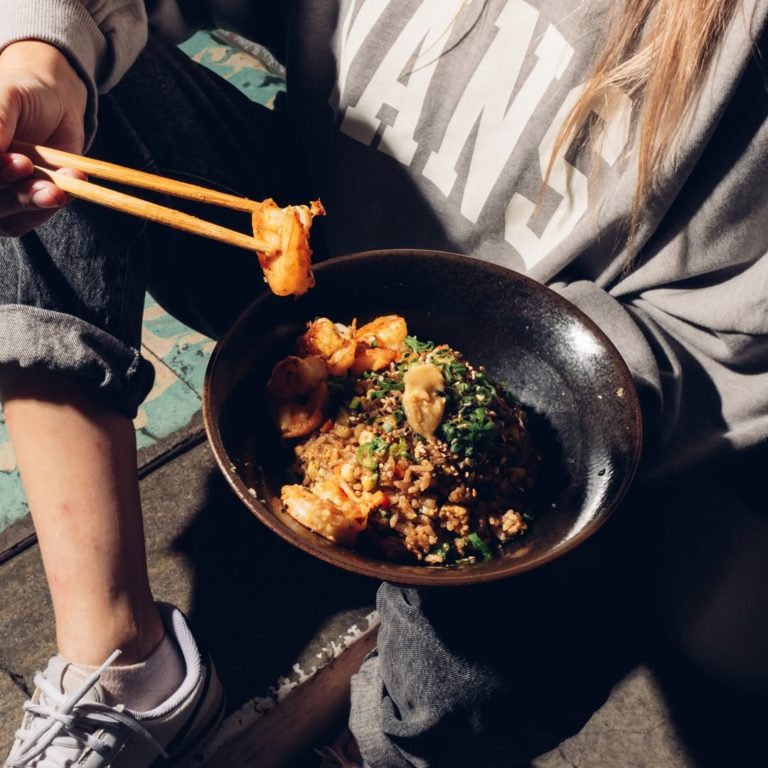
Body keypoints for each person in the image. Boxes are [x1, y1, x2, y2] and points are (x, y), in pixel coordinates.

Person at [1, 1, 767, 766]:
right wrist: (45, 58)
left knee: (485, 672)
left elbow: (729, 324)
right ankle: (127, 663)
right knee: (47, 137)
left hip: (552, 371)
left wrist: (509, 385)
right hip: (312, 261)